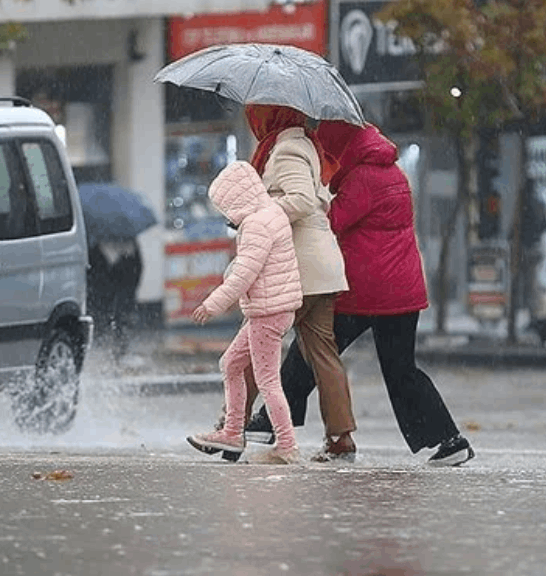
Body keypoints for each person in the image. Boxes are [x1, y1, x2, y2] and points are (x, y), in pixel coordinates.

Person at [248, 121, 476, 467]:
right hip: (402, 292)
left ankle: (269, 423)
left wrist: (312, 197)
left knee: (313, 350)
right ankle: (448, 439)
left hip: (366, 291)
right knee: (402, 371)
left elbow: (332, 222)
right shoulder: (391, 173)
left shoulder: (363, 179)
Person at [237, 104, 356, 462]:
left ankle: (232, 426)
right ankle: (341, 437)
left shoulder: (286, 148)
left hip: (296, 269)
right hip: (323, 268)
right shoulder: (307, 145)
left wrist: (259, 215)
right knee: (323, 355)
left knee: (252, 347)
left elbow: (302, 200)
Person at [186, 161, 305, 465]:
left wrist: (212, 304)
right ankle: (232, 433)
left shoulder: (255, 224)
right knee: (230, 364)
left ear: (235, 200)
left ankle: (287, 445)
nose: (226, 215)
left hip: (268, 312)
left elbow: (244, 274)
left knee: (267, 381)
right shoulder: (272, 212)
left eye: (224, 207)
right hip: (274, 309)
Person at [87, 236, 143, 360]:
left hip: (118, 291)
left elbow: (136, 269)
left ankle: (117, 349)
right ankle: (110, 348)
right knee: (111, 317)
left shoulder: (98, 244)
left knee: (119, 317)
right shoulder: (130, 245)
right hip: (108, 292)